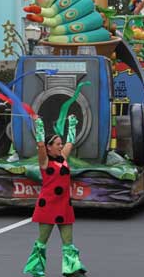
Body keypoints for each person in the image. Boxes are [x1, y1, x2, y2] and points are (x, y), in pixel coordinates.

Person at [23, 115, 86, 277]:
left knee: (68, 241)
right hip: (48, 204)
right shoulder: (44, 162)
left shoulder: (62, 158)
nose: (61, 146)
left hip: (64, 204)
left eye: (61, 144)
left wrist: (72, 125)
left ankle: (72, 270)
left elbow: (71, 142)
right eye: (58, 144)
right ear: (49, 147)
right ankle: (36, 269)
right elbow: (40, 144)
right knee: (42, 241)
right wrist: (40, 126)